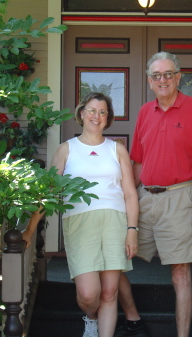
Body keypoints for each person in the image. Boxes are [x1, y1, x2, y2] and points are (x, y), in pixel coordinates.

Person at [114, 51, 192, 337]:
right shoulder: (146, 112)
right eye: (157, 75)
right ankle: (133, 318)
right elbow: (137, 161)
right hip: (145, 197)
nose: (163, 80)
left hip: (179, 196)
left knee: (180, 271)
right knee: (115, 258)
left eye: (168, 74)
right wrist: (126, 199)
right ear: (149, 81)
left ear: (178, 76)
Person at [22, 92, 139, 337]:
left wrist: (132, 230)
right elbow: (49, 192)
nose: (97, 116)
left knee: (110, 291)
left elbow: (129, 194)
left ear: (108, 119)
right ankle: (91, 316)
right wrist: (30, 229)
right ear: (82, 113)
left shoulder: (117, 150)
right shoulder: (66, 150)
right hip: (79, 223)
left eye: (103, 112)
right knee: (88, 293)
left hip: (114, 221)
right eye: (92, 110)